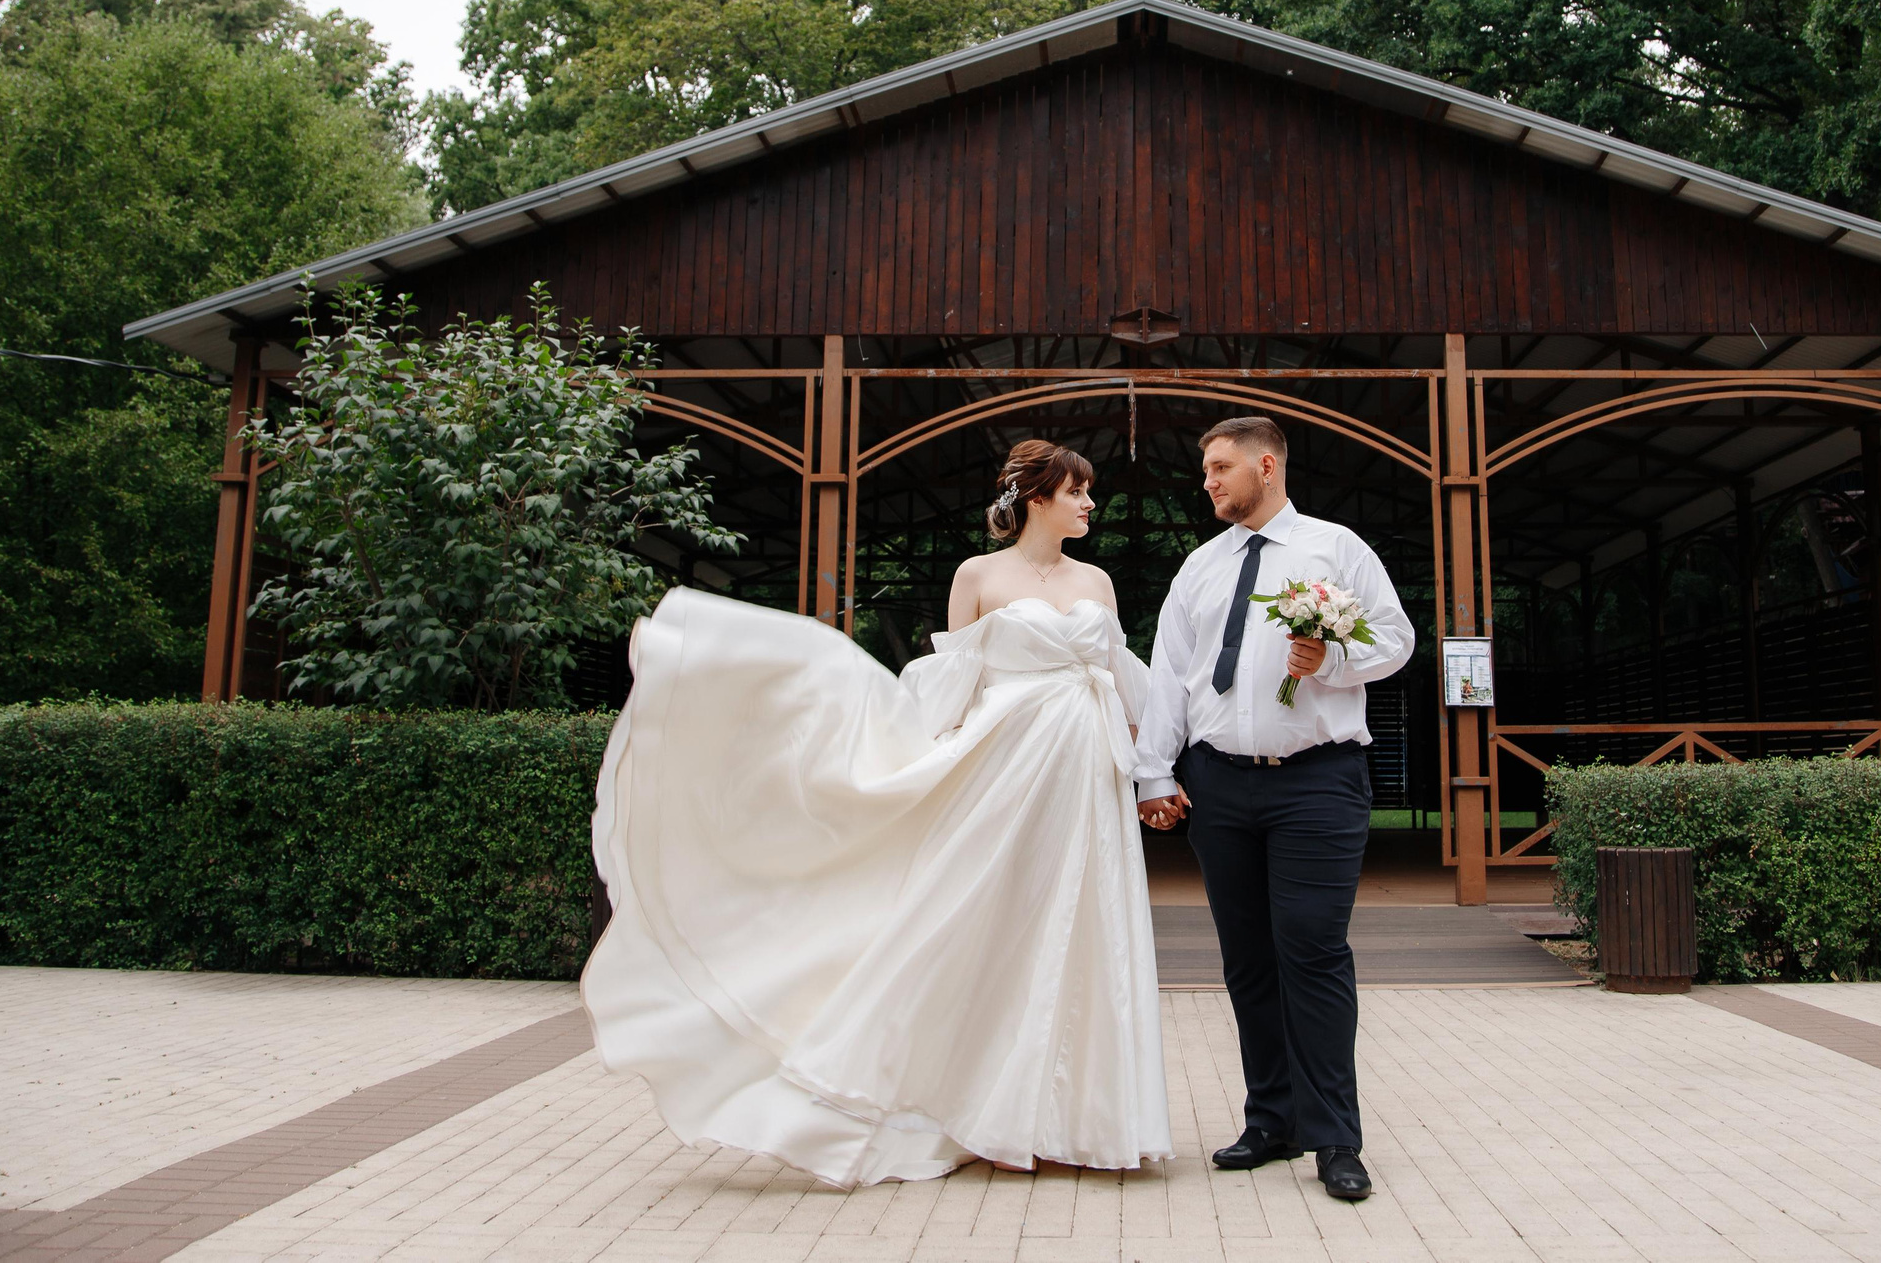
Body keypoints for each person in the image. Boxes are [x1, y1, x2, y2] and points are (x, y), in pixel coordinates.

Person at [584, 439, 1172, 1187]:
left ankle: (1074, 1116)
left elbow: (1120, 678)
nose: (1091, 504)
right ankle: (969, 1105)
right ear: (1037, 497)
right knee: (984, 927)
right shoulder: (977, 575)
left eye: (1090, 493)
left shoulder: (1098, 580)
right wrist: (908, 769)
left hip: (1086, 776)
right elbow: (951, 682)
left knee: (1084, 927)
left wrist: (1158, 770)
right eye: (1079, 492)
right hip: (1002, 773)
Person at [1135, 416, 1415, 1202]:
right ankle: (1272, 1120)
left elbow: (1396, 639)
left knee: (1313, 951)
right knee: (1248, 959)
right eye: (1205, 470)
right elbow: (1170, 674)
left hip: (1317, 781)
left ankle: (1334, 1138)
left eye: (1221, 468)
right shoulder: (1198, 566)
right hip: (1219, 783)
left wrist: (1332, 659)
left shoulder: (1335, 548)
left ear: (1266, 465)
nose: (1209, 481)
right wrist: (1152, 771)